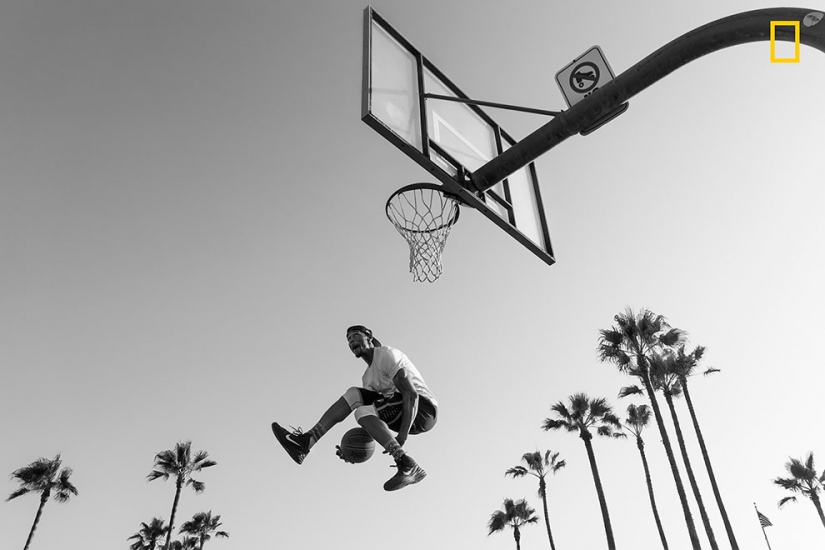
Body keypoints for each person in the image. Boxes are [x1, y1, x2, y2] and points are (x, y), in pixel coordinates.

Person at [271, 325, 438, 491]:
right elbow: (373, 419)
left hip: (423, 409)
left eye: (355, 335)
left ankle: (406, 463)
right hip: (400, 410)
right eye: (348, 340)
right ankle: (306, 441)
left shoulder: (385, 355)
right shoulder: (367, 378)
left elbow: (411, 394)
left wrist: (402, 435)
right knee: (354, 395)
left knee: (361, 410)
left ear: (369, 337)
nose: (351, 341)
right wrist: (354, 448)